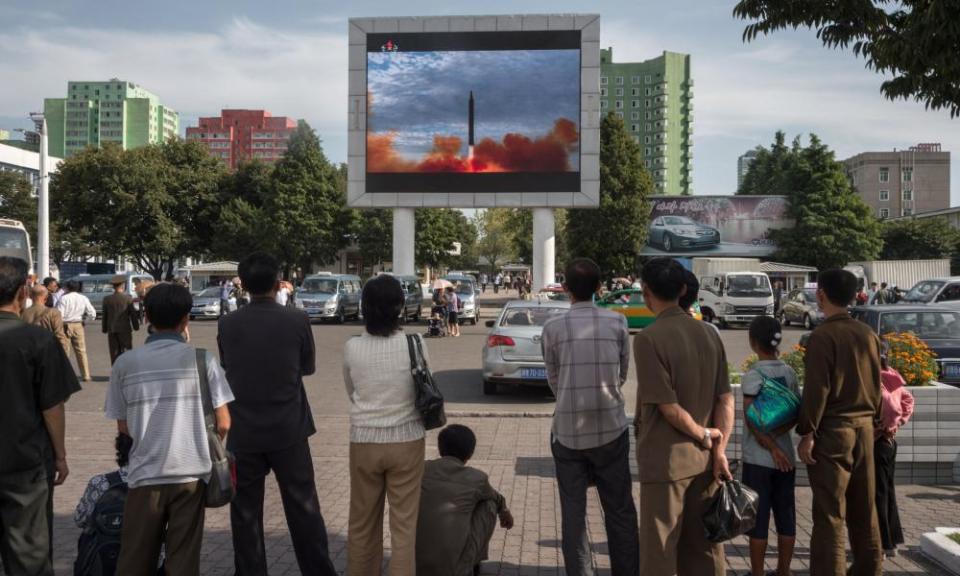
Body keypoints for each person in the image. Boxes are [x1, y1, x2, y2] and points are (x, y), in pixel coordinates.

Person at [218, 253, 336, 576]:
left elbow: (228, 365)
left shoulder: (227, 323)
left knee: (245, 513)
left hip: (243, 431)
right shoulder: (297, 320)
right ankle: (318, 571)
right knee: (303, 508)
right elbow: (308, 367)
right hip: (289, 428)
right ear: (276, 282)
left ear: (242, 284)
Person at [632, 257, 733, 576]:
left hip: (667, 461)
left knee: (660, 552)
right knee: (704, 550)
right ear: (682, 289)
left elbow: (668, 406)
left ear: (646, 292)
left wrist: (703, 433)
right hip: (706, 461)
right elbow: (725, 399)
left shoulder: (649, 338)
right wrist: (718, 447)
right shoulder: (709, 334)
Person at [541, 258, 639, 576]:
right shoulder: (617, 323)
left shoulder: (552, 328)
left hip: (567, 431)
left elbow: (554, 379)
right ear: (600, 288)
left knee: (573, 513)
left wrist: (571, 396)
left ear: (565, 288)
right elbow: (621, 375)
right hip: (611, 428)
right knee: (620, 510)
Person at [797, 269, 883, 576]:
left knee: (830, 514)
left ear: (821, 294)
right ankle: (870, 569)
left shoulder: (823, 336)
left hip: (833, 432)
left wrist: (807, 431)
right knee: (865, 510)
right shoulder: (867, 333)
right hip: (865, 429)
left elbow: (817, 389)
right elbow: (878, 383)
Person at [0, 256, 80, 576]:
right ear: (23, 292)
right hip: (26, 464)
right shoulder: (38, 340)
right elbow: (52, 406)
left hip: (24, 463)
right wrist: (60, 456)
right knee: (29, 557)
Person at [343, 274, 427, 576]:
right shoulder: (414, 343)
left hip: (364, 439)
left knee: (362, 522)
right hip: (407, 439)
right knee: (404, 526)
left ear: (364, 307)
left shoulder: (352, 347)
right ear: (400, 307)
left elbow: (351, 389)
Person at [741, 316, 799, 576]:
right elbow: (797, 413)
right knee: (786, 515)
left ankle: (757, 573)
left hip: (758, 459)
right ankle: (783, 571)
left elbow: (751, 417)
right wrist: (779, 444)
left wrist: (770, 446)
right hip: (787, 458)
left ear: (753, 342)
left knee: (759, 519)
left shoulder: (754, 375)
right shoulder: (789, 372)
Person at [416, 425, 514, 576]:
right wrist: (505, 511)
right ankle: (471, 565)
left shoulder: (422, 468)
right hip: (454, 569)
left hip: (415, 562)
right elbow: (496, 498)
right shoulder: (476, 478)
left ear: (440, 449)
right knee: (488, 504)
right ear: (470, 453)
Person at [875, 345, 914, 558]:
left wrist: (888, 426)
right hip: (888, 443)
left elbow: (891, 407)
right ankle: (891, 541)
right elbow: (907, 400)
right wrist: (899, 424)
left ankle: (883, 543)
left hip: (877, 442)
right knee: (887, 491)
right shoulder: (893, 376)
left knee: (877, 493)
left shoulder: (877, 379)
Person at [57, 279, 97, 382]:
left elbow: (59, 315)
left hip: (65, 325)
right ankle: (86, 375)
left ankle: (65, 376)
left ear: (68, 288)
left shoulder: (63, 298)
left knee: (65, 351)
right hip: (78, 324)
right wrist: (85, 322)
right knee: (81, 351)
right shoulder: (83, 298)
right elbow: (92, 313)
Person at [22, 284, 71, 356]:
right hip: (48, 352)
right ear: (46, 297)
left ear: (30, 296)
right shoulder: (53, 312)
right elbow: (60, 336)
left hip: (29, 353)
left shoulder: (23, 313)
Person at [102, 275, 141, 365]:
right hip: (125, 329)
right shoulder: (128, 298)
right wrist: (136, 326)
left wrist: (104, 329)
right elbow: (133, 315)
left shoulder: (107, 299)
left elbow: (105, 316)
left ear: (113, 286)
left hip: (112, 330)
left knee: (114, 352)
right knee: (127, 351)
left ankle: (116, 372)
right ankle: (127, 371)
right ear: (123, 285)